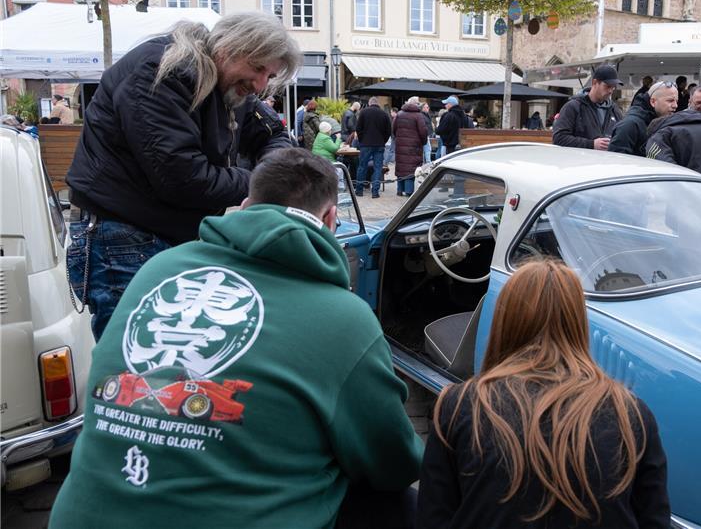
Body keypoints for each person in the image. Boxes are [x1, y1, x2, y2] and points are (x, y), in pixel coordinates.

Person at [50, 148, 423, 529]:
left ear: (245, 206)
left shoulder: (158, 269)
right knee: (402, 507)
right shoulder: (346, 317)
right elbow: (392, 463)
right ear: (330, 218)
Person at [65, 11, 300, 341]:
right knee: (137, 359)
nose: (260, 85)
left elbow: (272, 131)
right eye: (258, 68)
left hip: (160, 234)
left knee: (168, 355)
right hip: (122, 235)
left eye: (269, 75)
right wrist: (261, 183)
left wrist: (270, 167)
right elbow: (184, 178)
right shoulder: (164, 71)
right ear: (229, 47)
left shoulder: (230, 86)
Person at [417, 259, 670, 529]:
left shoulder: (458, 406)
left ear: (505, 321)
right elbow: (654, 519)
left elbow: (432, 518)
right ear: (577, 323)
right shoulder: (631, 414)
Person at [552, 64, 623, 150]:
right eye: (607, 86)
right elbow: (559, 138)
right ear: (594, 83)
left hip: (607, 161)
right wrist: (591, 144)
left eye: (613, 87)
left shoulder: (615, 111)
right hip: (580, 161)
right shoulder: (573, 107)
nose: (611, 91)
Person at [609, 80, 677, 156]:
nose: (675, 105)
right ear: (653, 102)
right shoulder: (629, 125)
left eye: (676, 101)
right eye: (670, 101)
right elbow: (616, 161)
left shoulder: (664, 124)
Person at [355, 96, 391, 198]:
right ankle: (375, 192)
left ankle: (359, 190)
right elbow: (388, 131)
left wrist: (362, 140)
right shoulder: (384, 114)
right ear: (377, 103)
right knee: (378, 168)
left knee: (362, 167)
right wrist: (383, 140)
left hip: (366, 144)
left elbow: (358, 128)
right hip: (379, 144)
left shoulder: (363, 112)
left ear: (370, 103)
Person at [393, 96, 427, 197]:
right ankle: (408, 191)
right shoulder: (418, 116)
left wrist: (399, 138)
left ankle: (399, 190)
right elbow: (423, 131)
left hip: (400, 144)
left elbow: (394, 129)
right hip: (414, 146)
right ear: (416, 104)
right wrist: (423, 142)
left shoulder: (399, 114)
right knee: (410, 168)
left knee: (401, 167)